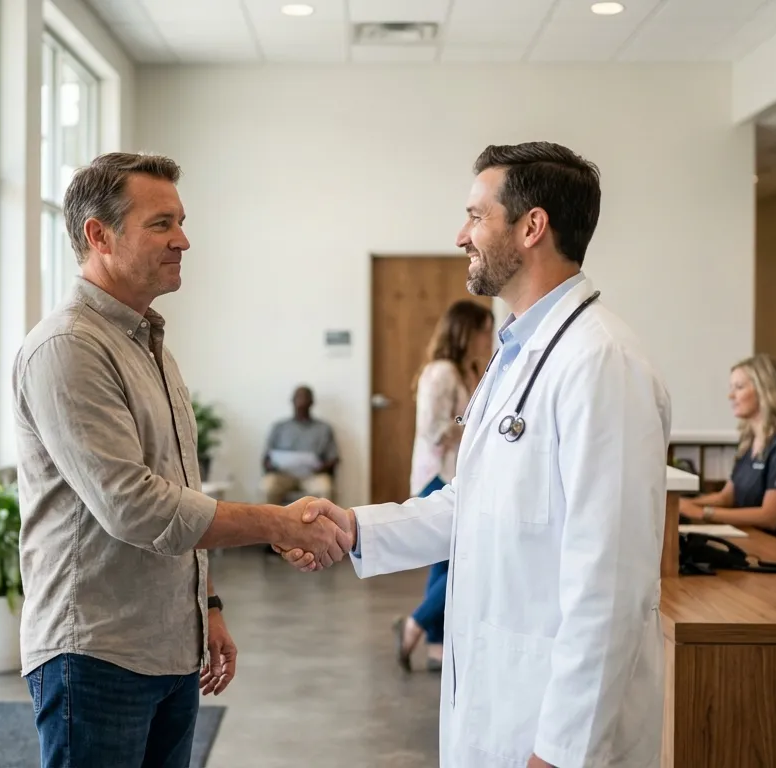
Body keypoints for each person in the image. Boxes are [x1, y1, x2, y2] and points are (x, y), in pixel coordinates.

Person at [284, 142, 673, 768]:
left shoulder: (601, 362)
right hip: (495, 701)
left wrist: (561, 751)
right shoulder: (517, 354)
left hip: (555, 732)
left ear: (531, 226)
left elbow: (612, 580)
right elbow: (471, 501)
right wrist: (355, 527)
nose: (461, 234)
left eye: (475, 215)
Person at [11, 151, 352, 768]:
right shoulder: (69, 347)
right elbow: (134, 506)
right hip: (96, 654)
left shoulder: (151, 346)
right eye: (162, 224)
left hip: (169, 646)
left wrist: (208, 606)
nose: (184, 240)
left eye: (181, 221)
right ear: (99, 235)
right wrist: (276, 522)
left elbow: (178, 489)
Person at [395, 299, 494, 673]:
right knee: (456, 564)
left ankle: (435, 643)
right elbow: (433, 430)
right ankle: (416, 624)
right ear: (466, 332)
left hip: (457, 475)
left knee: (444, 563)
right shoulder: (440, 373)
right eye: (484, 331)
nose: (489, 339)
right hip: (436, 477)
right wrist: (473, 425)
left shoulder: (466, 371)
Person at [679, 354, 776, 548]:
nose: (731, 396)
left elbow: (771, 516)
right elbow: (726, 497)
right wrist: (679, 505)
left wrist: (701, 513)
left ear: (765, 391)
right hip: (754, 541)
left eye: (739, 387)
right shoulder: (750, 442)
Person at [260, 385, 340, 504]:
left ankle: (324, 522)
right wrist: (271, 466)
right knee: (267, 487)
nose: (301, 401)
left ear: (312, 402)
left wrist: (321, 467)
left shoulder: (323, 428)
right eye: (298, 397)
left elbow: (333, 459)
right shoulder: (279, 427)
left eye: (305, 397)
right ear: (292, 401)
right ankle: (268, 522)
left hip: (312, 476)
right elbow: (267, 458)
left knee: (325, 488)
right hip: (283, 476)